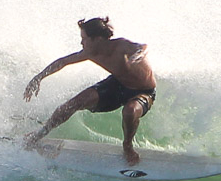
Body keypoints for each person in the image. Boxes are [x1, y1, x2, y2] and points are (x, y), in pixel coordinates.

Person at [22, 17, 156, 165]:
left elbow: (143, 46)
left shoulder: (121, 46)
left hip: (143, 91)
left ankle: (127, 146)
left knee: (130, 111)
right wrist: (39, 77)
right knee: (73, 104)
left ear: (97, 39)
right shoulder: (91, 52)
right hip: (117, 84)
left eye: (84, 39)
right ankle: (39, 134)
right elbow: (63, 62)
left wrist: (140, 55)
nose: (81, 43)